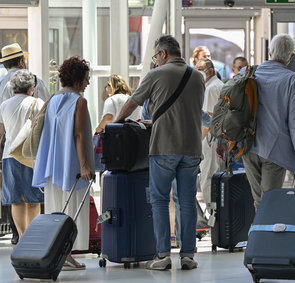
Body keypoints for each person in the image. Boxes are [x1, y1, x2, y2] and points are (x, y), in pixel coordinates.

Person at [115, 35, 204, 271]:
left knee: (160, 201)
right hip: (192, 148)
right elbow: (187, 112)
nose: (155, 61)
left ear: (163, 54)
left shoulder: (155, 74)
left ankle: (163, 254)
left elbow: (132, 103)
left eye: (155, 56)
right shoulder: (198, 76)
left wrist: (116, 122)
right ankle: (187, 256)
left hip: (164, 147)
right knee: (186, 201)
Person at [32, 56, 95, 271]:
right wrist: (85, 165)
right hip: (72, 166)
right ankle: (65, 253)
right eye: (86, 78)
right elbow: (79, 135)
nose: (88, 83)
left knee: (56, 210)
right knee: (72, 211)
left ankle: (60, 253)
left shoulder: (51, 100)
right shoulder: (79, 101)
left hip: (52, 164)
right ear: (78, 79)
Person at [0, 43, 50, 245]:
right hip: (33, 155)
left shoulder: (2, 97)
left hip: (10, 155)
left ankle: (21, 237)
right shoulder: (37, 100)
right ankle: (33, 236)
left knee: (16, 199)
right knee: (34, 199)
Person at [239, 34, 295, 209]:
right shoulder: (294, 81)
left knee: (258, 201)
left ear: (269, 51)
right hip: (274, 149)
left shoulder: (247, 73)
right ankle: (264, 235)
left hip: (247, 145)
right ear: (291, 56)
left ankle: (258, 235)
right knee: (270, 202)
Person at [195, 58, 224, 206]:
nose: (197, 73)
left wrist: (199, 144)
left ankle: (213, 215)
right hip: (218, 139)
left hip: (210, 139)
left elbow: (209, 119)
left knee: (207, 177)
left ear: (210, 71)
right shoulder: (217, 85)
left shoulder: (211, 89)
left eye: (200, 69)